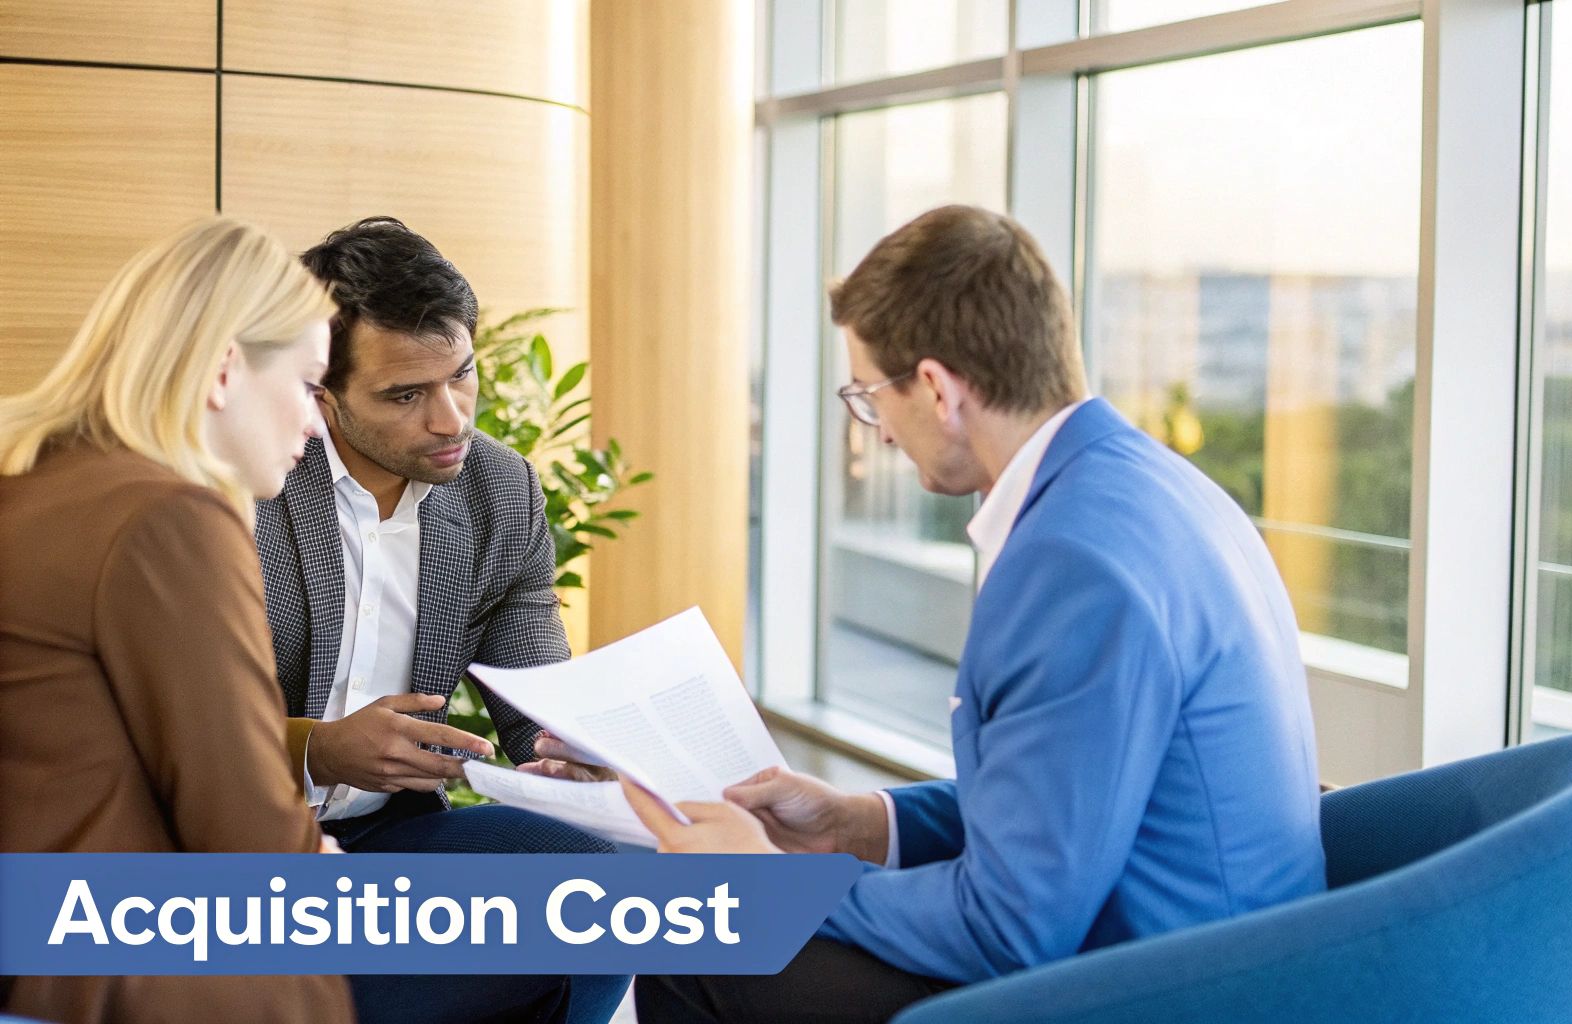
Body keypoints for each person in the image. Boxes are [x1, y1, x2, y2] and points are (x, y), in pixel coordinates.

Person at [573, 205, 1330, 1022]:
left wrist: (776, 883)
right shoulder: (1152, 486)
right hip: (1236, 952)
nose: (879, 432)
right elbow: (1064, 795)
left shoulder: (1070, 563)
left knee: (701, 944)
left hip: (1169, 992)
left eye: (869, 395)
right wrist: (858, 825)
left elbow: (1011, 928)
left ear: (936, 388)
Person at [253, 216, 627, 1022]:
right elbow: (175, 725)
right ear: (322, 392)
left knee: (607, 894)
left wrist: (577, 756)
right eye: (405, 395)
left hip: (394, 840)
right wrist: (321, 748)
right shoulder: (252, 481)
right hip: (235, 846)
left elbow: (534, 697)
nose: (452, 418)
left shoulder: (501, 489)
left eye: (462, 376)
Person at [0, 217, 353, 1023]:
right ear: (224, 368)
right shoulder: (167, 521)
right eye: (306, 385)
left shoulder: (32, 491)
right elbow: (252, 846)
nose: (314, 423)